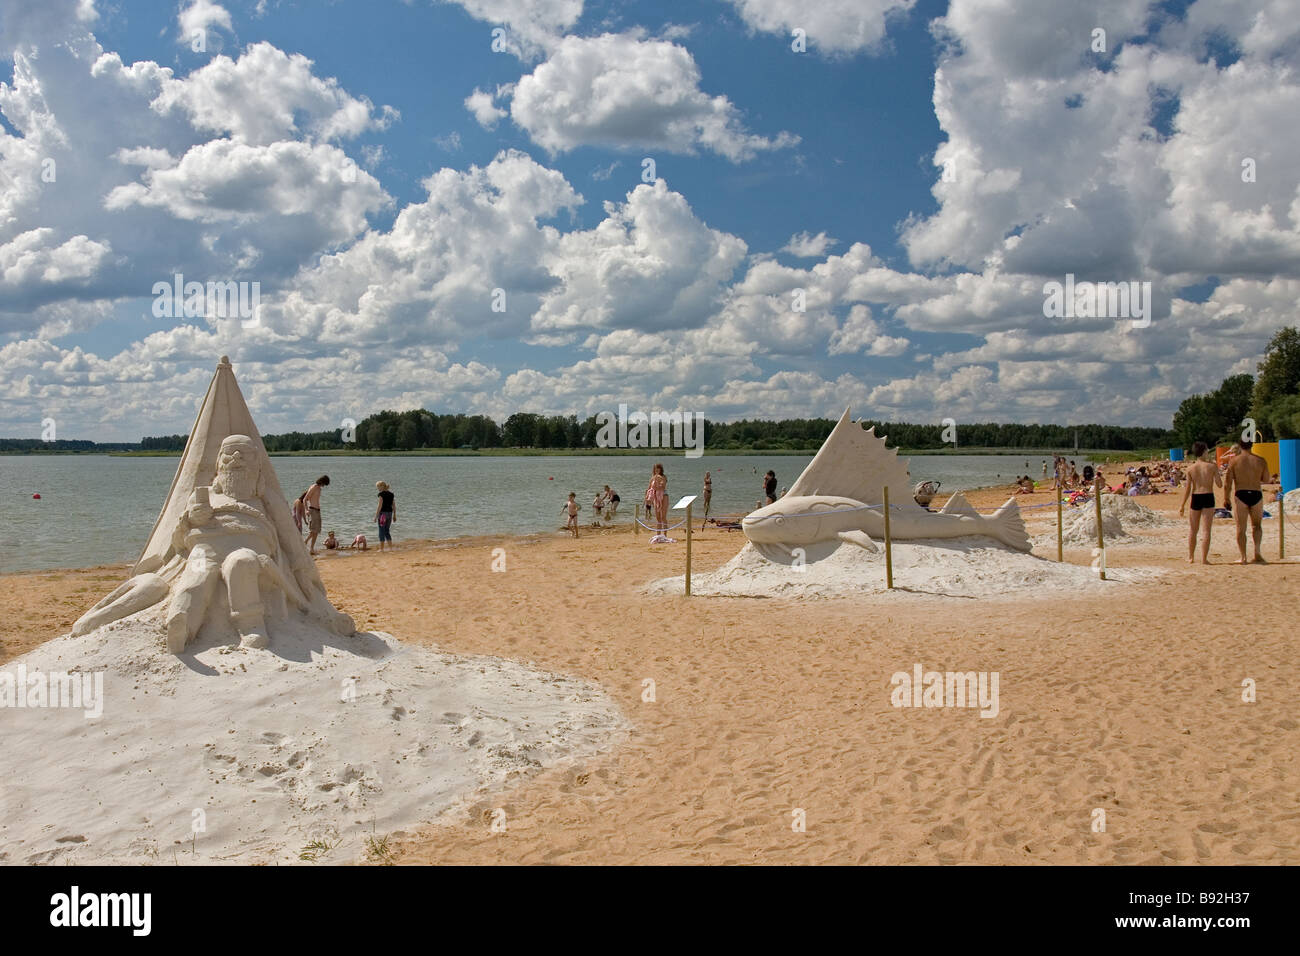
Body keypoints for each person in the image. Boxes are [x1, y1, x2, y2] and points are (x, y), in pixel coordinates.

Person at [1224, 439, 1270, 564]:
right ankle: (1257, 552)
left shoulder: (1234, 461)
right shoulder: (1260, 460)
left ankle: (1243, 557)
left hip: (1241, 494)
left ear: (1240, 446)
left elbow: (1228, 483)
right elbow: (1266, 479)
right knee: (1257, 526)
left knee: (1241, 528)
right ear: (1252, 445)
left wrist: (1226, 498)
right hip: (1256, 493)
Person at [1178, 442, 1221, 564]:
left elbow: (1188, 489)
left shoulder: (1190, 468)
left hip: (1195, 497)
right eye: (1207, 450)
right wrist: (1216, 473)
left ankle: (1191, 557)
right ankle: (1204, 558)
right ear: (1203, 451)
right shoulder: (1211, 466)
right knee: (1206, 530)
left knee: (1193, 530)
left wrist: (1182, 505)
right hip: (1208, 496)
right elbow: (1219, 484)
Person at [303, 475, 330, 555]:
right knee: (313, 530)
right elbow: (305, 499)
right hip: (313, 510)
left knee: (316, 531)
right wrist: (306, 510)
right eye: (324, 484)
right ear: (322, 481)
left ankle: (311, 548)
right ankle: (305, 543)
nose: (324, 486)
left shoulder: (319, 488)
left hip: (317, 511)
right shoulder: (314, 487)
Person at [374, 480, 395, 552]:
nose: (378, 489)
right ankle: (390, 548)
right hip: (390, 514)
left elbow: (379, 506)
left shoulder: (381, 494)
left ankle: (381, 549)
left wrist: (376, 516)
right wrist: (394, 515)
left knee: (381, 531)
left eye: (378, 487)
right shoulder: (391, 494)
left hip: (383, 514)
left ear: (381, 486)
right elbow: (394, 505)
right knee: (387, 531)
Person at [647, 464, 668, 535]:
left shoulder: (663, 477)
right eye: (655, 469)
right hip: (655, 497)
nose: (657, 470)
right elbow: (649, 488)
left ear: (661, 469)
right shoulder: (652, 478)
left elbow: (663, 486)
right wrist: (647, 498)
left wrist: (658, 482)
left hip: (664, 496)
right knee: (658, 517)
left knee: (663, 516)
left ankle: (665, 534)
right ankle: (658, 534)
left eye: (658, 469)